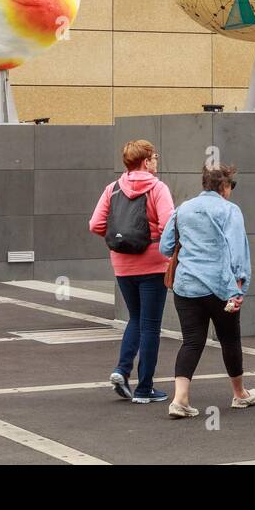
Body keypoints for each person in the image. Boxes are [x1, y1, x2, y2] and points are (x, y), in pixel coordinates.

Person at [158, 163, 255, 419]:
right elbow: (238, 251)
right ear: (224, 186)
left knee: (192, 341)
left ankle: (180, 399)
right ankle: (239, 394)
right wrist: (240, 287)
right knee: (229, 339)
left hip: (187, 285)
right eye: (231, 186)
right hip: (220, 287)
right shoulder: (229, 210)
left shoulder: (183, 209)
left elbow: (165, 246)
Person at [88, 140, 175, 404]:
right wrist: (165, 250)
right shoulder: (158, 188)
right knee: (151, 325)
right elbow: (168, 224)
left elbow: (95, 224)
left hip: (123, 264)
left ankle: (121, 370)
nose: (157, 162)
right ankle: (144, 388)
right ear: (146, 162)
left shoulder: (112, 189)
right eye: (155, 157)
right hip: (153, 263)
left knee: (135, 318)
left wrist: (120, 240)